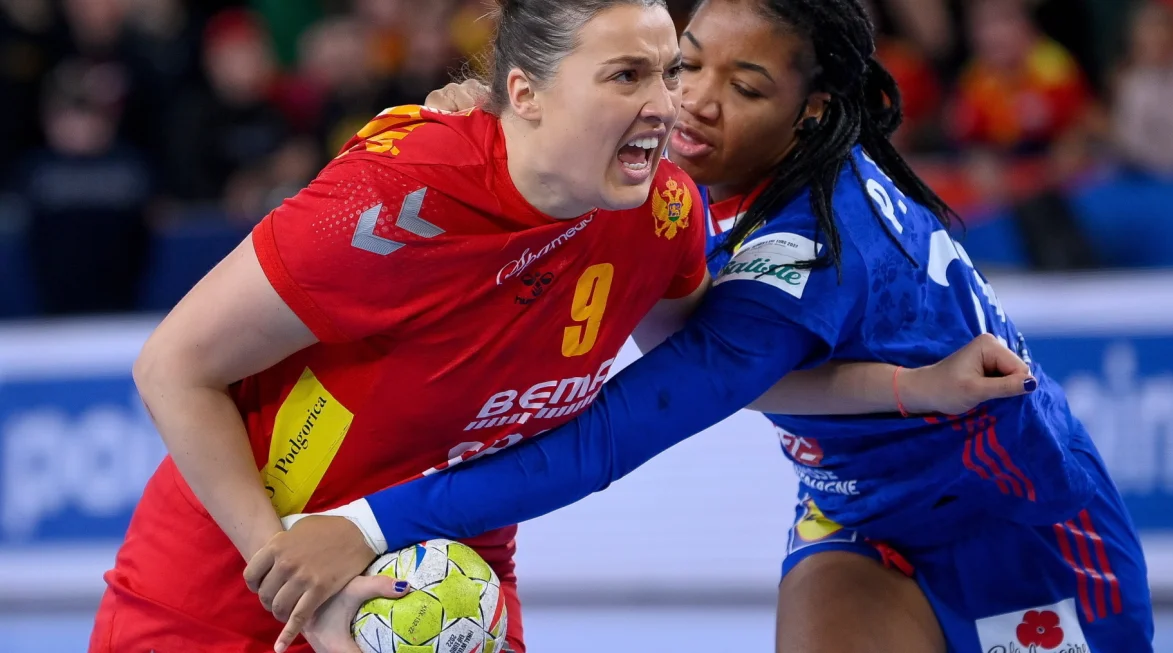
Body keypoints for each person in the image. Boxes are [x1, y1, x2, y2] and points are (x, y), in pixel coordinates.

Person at [88, 1, 1027, 652]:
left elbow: (705, 373)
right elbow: (173, 367)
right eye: (627, 75)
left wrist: (914, 387)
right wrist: (288, 567)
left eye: (671, 70)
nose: (668, 104)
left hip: (442, 587)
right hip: (243, 573)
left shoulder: (661, 213)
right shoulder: (397, 198)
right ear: (527, 93)